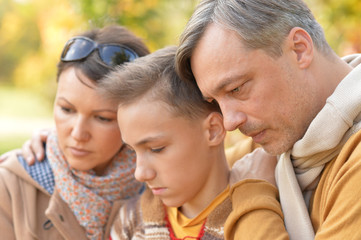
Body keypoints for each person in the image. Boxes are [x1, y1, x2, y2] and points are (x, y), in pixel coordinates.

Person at [176, 0, 361, 239]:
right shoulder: (278, 145)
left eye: (236, 89)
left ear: (299, 49)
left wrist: (252, 197)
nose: (229, 123)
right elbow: (179, 172)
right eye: (215, 102)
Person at [0, 25, 150, 240]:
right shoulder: (8, 187)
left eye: (102, 118)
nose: (78, 134)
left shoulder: (162, 188)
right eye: (66, 109)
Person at [98, 45, 258, 240]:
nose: (140, 174)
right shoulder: (130, 222)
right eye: (133, 151)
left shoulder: (257, 218)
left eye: (156, 149)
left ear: (213, 130)